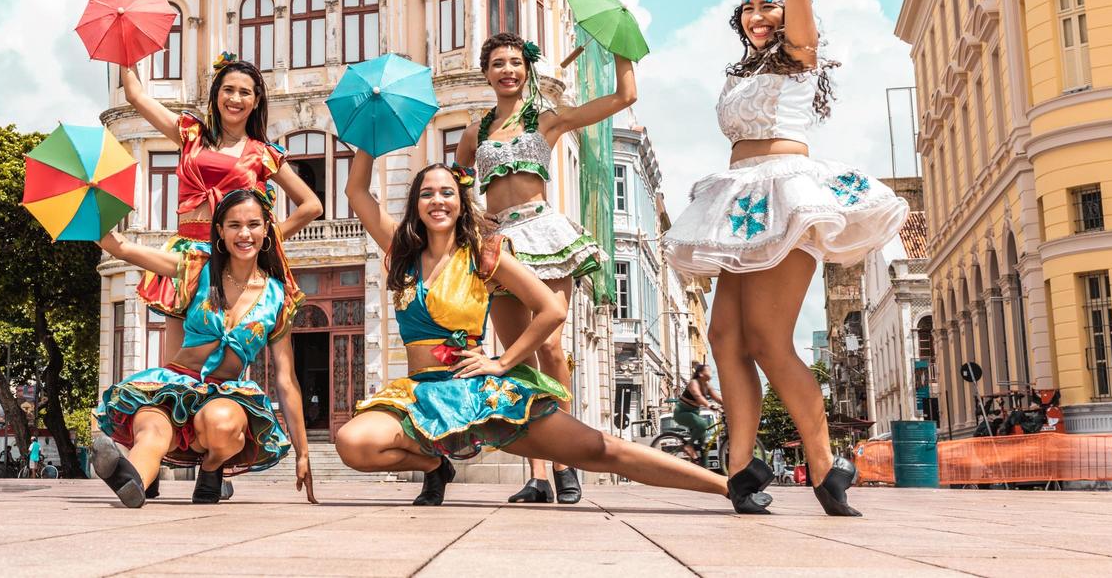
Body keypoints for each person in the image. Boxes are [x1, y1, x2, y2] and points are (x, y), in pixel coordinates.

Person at [661, 0, 906, 517]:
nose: (755, 12)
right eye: (747, 5)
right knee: (724, 338)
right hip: (739, 195)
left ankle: (825, 464)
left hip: (785, 191)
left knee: (770, 341)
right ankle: (743, 467)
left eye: (767, 5)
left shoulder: (800, 51)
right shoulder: (745, 66)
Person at [334, 156, 734, 508]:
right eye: (427, 194)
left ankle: (728, 487)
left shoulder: (485, 253)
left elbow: (552, 309)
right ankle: (435, 464)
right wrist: (370, 137)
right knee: (354, 443)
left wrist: (502, 362)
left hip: (480, 394)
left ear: (460, 202)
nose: (437, 201)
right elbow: (356, 192)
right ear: (415, 204)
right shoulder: (402, 253)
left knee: (599, 450)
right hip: (420, 394)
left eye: (446, 192)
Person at [117, 52, 322, 500]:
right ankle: (150, 468)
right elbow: (135, 95)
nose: (235, 98)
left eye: (244, 92)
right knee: (177, 374)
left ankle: (213, 464)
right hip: (187, 254)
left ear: (256, 101)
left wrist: (263, 239)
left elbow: (312, 205)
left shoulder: (264, 153)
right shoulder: (190, 135)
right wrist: (124, 48)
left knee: (218, 371)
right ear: (216, 95)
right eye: (227, 89)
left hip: (233, 253)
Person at [451, 32, 636, 505]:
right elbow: (458, 179)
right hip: (499, 243)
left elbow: (623, 97)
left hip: (544, 234)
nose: (507, 70)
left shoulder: (547, 121)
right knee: (515, 356)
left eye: (515, 62)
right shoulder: (476, 132)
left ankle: (565, 458)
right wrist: (472, 221)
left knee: (551, 345)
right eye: (497, 63)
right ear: (486, 72)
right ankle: (536, 473)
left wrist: (622, 49)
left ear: (526, 69)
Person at [91, 189, 317, 509]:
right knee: (151, 430)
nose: (244, 233)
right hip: (172, 387)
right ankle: (131, 482)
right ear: (220, 233)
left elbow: (286, 379)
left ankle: (211, 470)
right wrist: (93, 210)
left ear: (268, 229)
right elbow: (122, 247)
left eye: (253, 224)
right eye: (233, 225)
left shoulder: (278, 296)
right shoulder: (197, 269)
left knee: (221, 423)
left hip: (224, 396)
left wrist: (303, 453)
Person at [673, 363, 723, 464]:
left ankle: (703, 469)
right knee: (703, 424)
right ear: (700, 374)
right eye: (707, 370)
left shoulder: (707, 386)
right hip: (682, 413)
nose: (710, 371)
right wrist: (709, 405)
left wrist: (730, 406)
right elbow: (698, 396)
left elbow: (718, 398)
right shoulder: (693, 383)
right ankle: (689, 446)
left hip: (694, 415)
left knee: (703, 446)